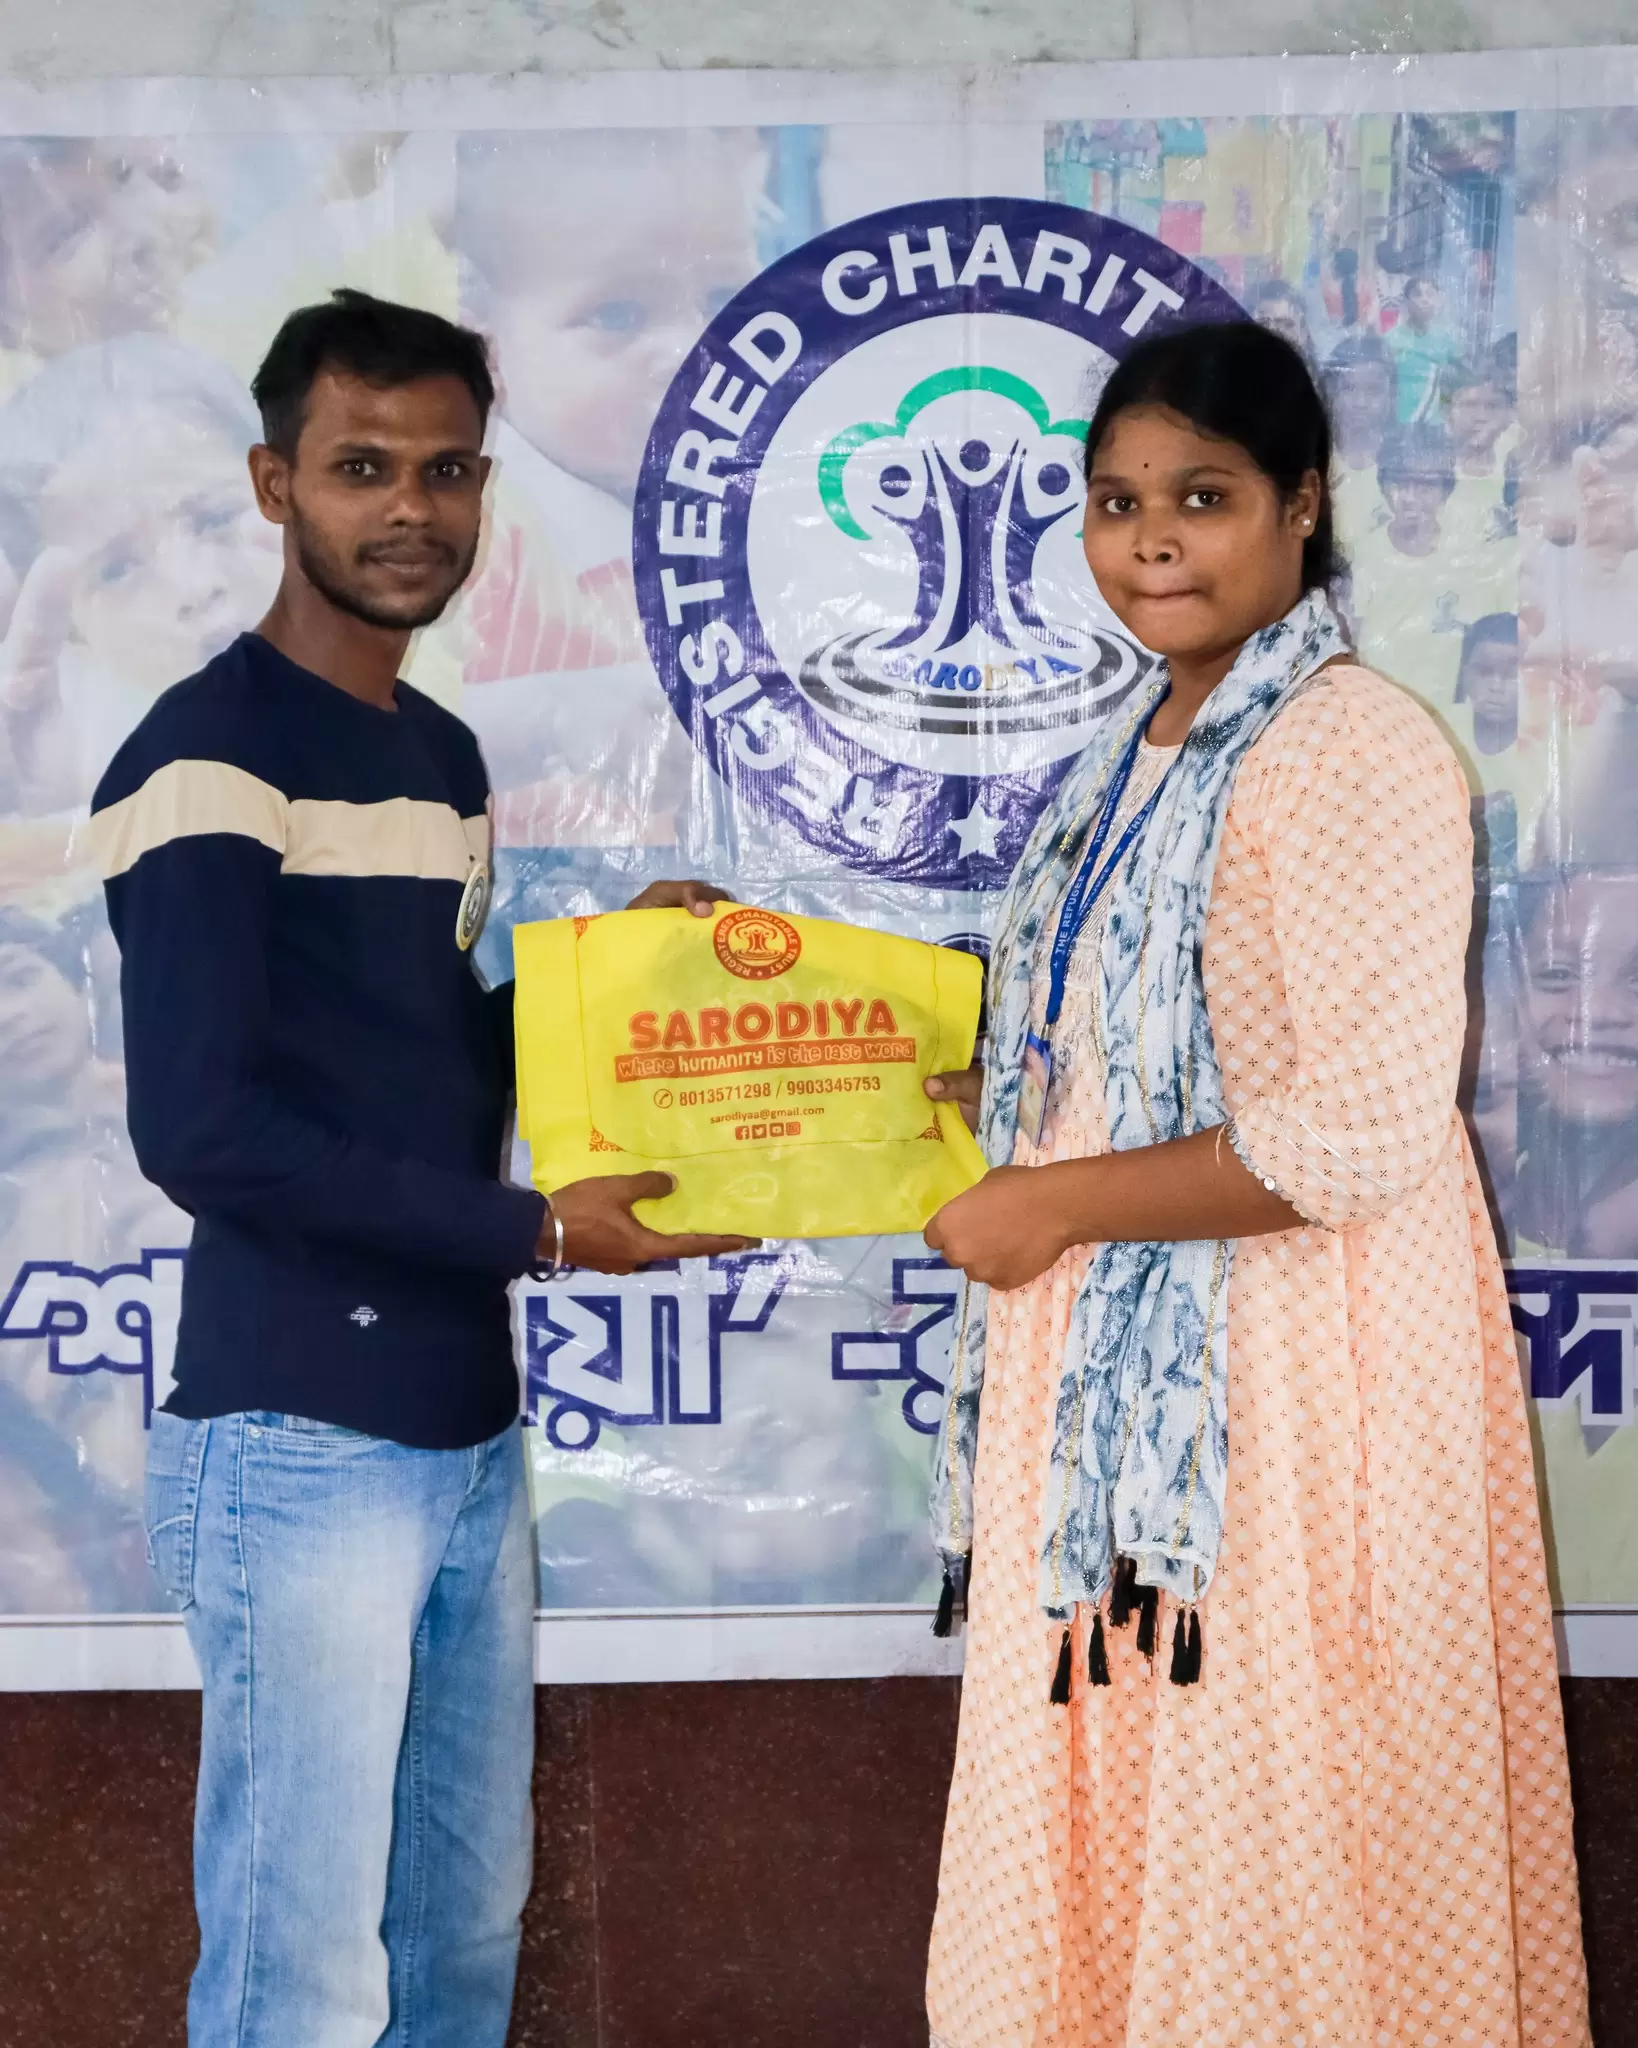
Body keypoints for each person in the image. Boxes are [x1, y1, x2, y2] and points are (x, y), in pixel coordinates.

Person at [88, 289, 754, 2048]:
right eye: (362, 467)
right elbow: (202, 1130)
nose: (411, 509)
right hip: (296, 1434)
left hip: (461, 1430)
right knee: (301, 1979)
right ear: (274, 484)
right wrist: (535, 1227)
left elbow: (423, 1059)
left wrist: (611, 978)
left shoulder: (437, 752)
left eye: (446, 470)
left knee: (458, 1938)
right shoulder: (205, 757)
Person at [917, 320, 1589, 2046]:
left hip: (1291, 1390)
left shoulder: (1350, 744)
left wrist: (1054, 1204)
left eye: (1200, 497)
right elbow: (1093, 1061)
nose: (1150, 540)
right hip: (1125, 1401)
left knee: (1275, 1817)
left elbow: (1349, 1130)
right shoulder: (1135, 747)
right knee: (1134, 1810)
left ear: (1301, 503)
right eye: (1116, 501)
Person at [1386, 271, 1461, 424]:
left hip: (1433, 423)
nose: (1425, 300)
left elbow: (1459, 381)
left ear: (1438, 301)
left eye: (1430, 294)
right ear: (1406, 302)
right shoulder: (1391, 340)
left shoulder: (1446, 340)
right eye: (1418, 294)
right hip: (1398, 422)